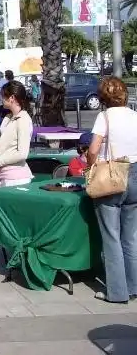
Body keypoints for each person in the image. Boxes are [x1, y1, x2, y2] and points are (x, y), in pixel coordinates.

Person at [86, 77, 137, 304]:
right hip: (135, 172)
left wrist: (90, 165)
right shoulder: (135, 116)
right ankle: (134, 285)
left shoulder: (104, 117)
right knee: (131, 237)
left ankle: (117, 292)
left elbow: (94, 148)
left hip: (112, 176)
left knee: (111, 236)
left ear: (104, 97)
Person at [0, 81, 34, 216]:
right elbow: (0, 141)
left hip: (16, 177)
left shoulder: (24, 120)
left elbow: (22, 153)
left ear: (12, 98)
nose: (1, 99)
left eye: (3, 96)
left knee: (7, 214)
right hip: (1, 175)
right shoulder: (8, 117)